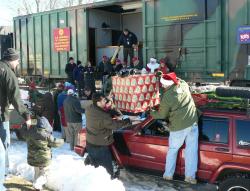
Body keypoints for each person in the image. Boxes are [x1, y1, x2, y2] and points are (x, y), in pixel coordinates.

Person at [150, 72, 199, 184]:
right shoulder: (183, 84)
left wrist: (151, 112)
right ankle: (190, 177)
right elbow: (176, 78)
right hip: (192, 123)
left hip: (179, 127)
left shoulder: (168, 97)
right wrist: (164, 75)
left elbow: (162, 115)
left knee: (173, 150)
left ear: (167, 84)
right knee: (191, 151)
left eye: (163, 84)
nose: (162, 86)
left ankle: (168, 175)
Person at [0, 48, 31, 191]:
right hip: (1, 116)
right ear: (12, 60)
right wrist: (26, 115)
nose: (18, 63)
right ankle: (2, 176)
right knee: (3, 147)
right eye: (18, 60)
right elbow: (15, 98)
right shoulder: (8, 73)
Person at [85, 93, 131, 178]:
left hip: (90, 142)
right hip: (100, 146)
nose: (106, 101)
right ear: (98, 102)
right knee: (107, 171)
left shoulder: (90, 108)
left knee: (94, 164)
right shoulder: (103, 116)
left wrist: (108, 100)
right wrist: (128, 121)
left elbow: (104, 111)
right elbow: (115, 125)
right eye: (104, 100)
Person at [19, 107, 64, 190]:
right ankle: (37, 184)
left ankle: (36, 184)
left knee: (36, 171)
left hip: (32, 156)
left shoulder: (28, 132)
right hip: (43, 158)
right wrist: (62, 141)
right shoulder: (45, 135)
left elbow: (22, 131)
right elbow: (55, 142)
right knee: (44, 174)